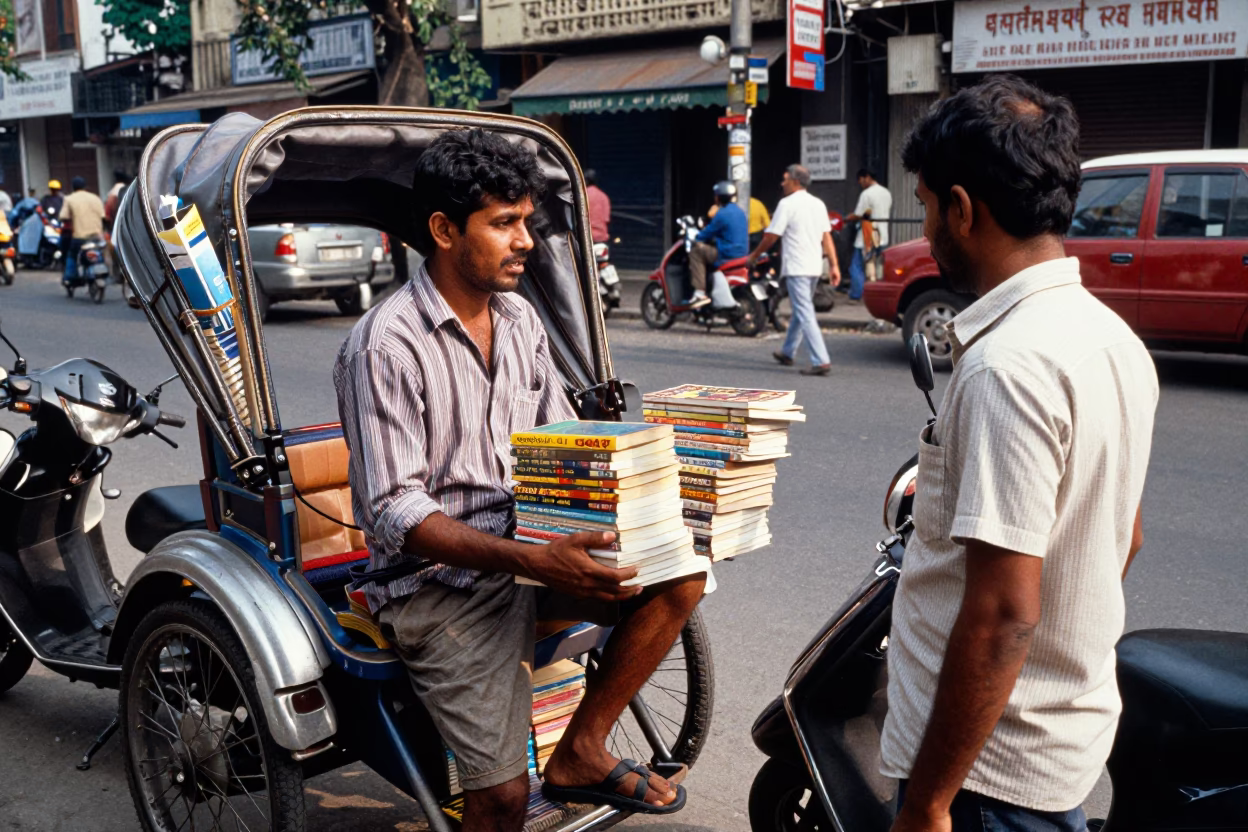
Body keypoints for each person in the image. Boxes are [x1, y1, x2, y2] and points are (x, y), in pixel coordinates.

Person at [334, 129, 706, 832]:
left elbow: (559, 446)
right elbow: (394, 511)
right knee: (502, 802)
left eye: (527, 222)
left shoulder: (521, 319)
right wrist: (532, 557)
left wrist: (647, 487)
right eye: (504, 223)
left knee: (683, 572)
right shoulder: (384, 344)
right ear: (445, 230)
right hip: (434, 587)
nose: (525, 240)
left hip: (530, 551)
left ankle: (582, 750)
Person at [880, 75, 1158, 832]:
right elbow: (1121, 535)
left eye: (930, 204)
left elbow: (1004, 614)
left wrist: (931, 803)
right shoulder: (1110, 338)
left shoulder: (1008, 366)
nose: (930, 224)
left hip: (984, 778)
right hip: (1051, 746)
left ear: (963, 210)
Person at [747, 165, 840, 376]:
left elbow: (771, 236)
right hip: (814, 267)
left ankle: (821, 359)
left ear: (795, 182)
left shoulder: (786, 204)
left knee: (804, 312)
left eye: (785, 179)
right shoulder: (818, 204)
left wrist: (753, 256)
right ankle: (788, 352)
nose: (782, 183)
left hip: (797, 267)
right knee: (801, 310)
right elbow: (827, 237)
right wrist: (834, 266)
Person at [686, 181, 747, 307]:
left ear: (719, 197)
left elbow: (706, 234)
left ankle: (699, 292)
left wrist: (696, 237)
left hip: (726, 254)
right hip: (742, 253)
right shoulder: (740, 212)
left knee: (696, 251)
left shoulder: (722, 214)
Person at [843, 168, 892, 301]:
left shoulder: (867, 194)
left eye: (861, 181)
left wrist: (847, 219)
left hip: (867, 235)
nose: (861, 184)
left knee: (856, 266)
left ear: (866, 177)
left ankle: (856, 294)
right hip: (882, 235)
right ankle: (879, 295)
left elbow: (859, 214)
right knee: (878, 266)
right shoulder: (886, 193)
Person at [60, 176, 105, 282]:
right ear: (85, 186)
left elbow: (63, 216)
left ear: (73, 187)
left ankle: (69, 276)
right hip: (96, 236)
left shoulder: (69, 199)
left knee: (71, 253)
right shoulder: (95, 198)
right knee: (99, 251)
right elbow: (103, 215)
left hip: (80, 237)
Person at [585, 168, 611, 244]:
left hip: (584, 238)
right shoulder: (604, 197)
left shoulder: (581, 196)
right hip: (600, 238)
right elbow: (606, 219)